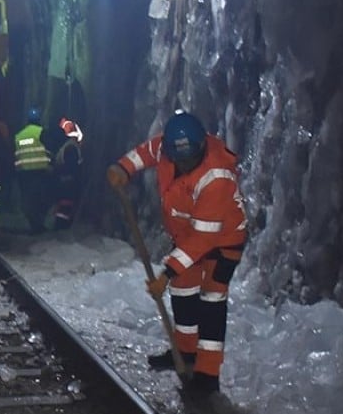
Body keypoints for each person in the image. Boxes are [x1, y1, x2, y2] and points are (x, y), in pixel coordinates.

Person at [106, 110, 247, 394]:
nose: (183, 164)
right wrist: (123, 168)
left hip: (221, 242)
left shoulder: (217, 177)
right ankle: (183, 354)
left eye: (189, 159)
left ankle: (207, 376)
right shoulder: (168, 147)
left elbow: (203, 239)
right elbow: (147, 151)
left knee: (211, 302)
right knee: (183, 293)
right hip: (187, 236)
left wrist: (167, 272)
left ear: (201, 148)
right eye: (178, 159)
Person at [13, 106, 55, 232]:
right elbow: (49, 150)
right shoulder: (41, 132)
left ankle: (33, 224)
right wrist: (52, 164)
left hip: (24, 172)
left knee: (28, 200)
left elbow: (16, 153)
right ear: (39, 119)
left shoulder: (19, 135)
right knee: (40, 200)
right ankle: (39, 225)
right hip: (40, 171)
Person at [45, 117, 85, 230]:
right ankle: (61, 225)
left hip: (65, 181)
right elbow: (71, 165)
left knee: (63, 206)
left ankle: (61, 226)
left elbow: (69, 165)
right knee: (64, 206)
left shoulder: (69, 146)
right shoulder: (70, 146)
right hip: (67, 181)